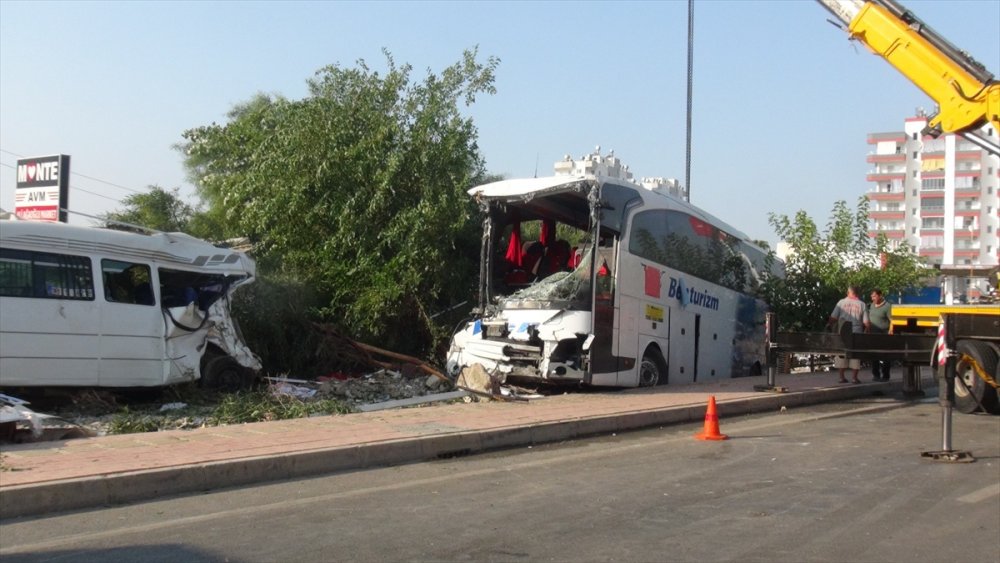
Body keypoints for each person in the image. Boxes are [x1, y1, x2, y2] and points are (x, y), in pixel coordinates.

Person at [827, 285, 869, 384]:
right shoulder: (862, 304)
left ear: (848, 292)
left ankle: (841, 377)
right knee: (855, 354)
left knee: (842, 353)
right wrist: (866, 332)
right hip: (856, 332)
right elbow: (866, 322)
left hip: (843, 331)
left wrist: (830, 325)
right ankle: (854, 378)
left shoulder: (841, 303)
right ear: (857, 293)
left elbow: (833, 318)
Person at [867, 289, 893, 381]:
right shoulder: (872, 305)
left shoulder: (887, 306)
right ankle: (876, 375)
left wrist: (891, 330)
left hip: (884, 334)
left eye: (874, 296)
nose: (873, 298)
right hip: (873, 335)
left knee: (885, 355)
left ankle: (885, 375)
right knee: (874, 355)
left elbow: (892, 320)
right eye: (872, 297)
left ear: (880, 295)